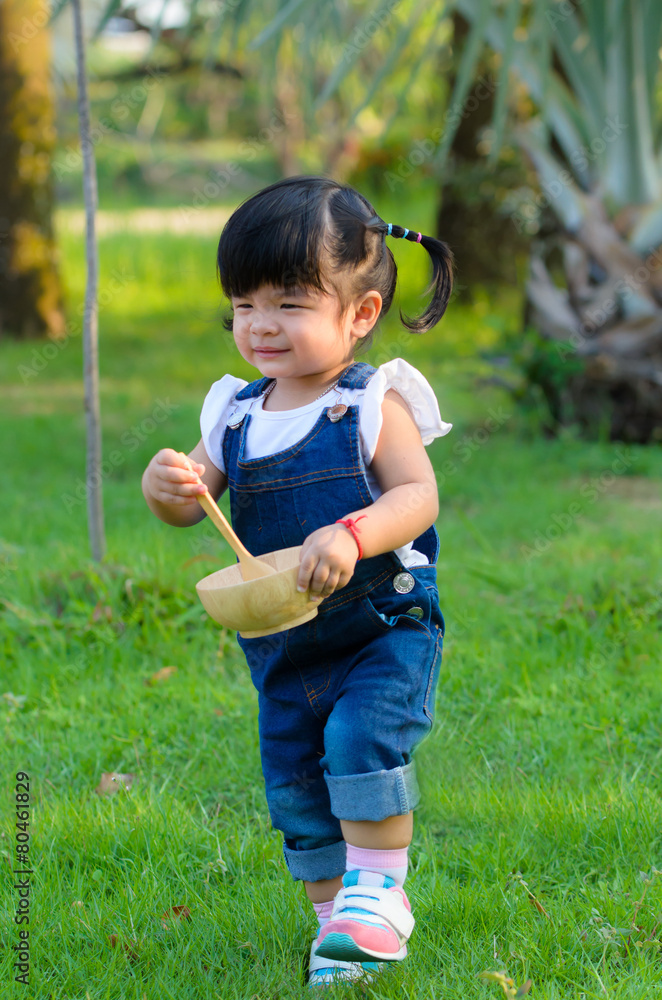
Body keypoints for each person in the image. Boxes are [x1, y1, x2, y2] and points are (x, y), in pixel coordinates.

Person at [142, 175, 454, 988]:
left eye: (288, 302)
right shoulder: (235, 415)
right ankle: (335, 930)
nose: (260, 324)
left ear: (361, 314)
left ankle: (378, 895)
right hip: (281, 642)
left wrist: (352, 533)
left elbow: (417, 497)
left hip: (379, 625)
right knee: (294, 781)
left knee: (359, 741)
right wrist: (166, 486)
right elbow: (191, 503)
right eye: (243, 304)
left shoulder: (370, 401)